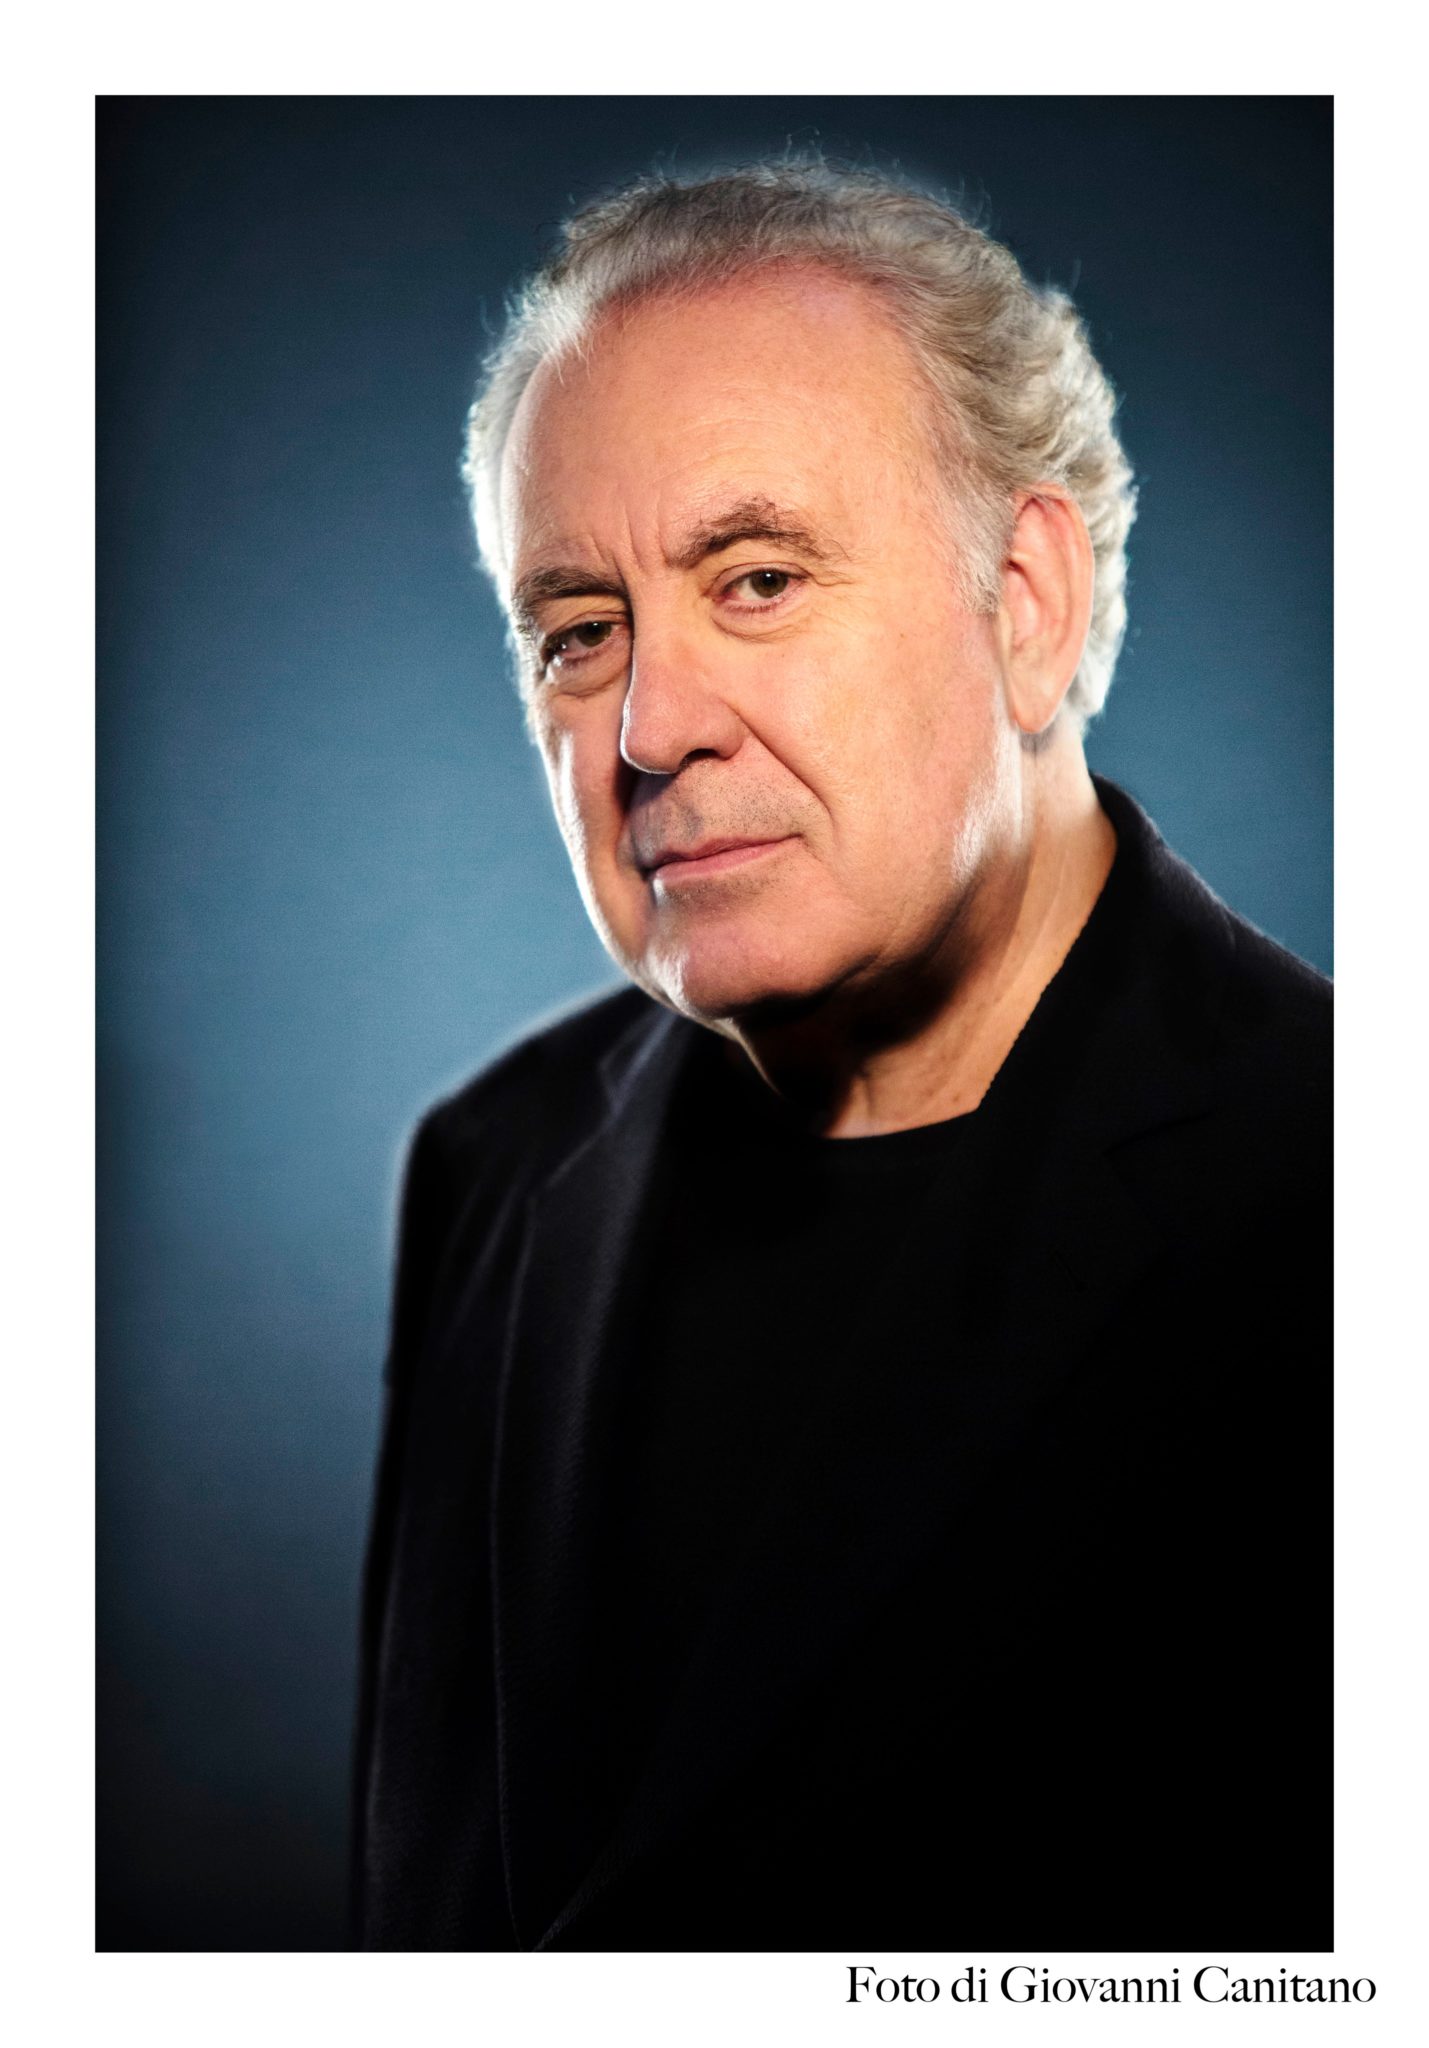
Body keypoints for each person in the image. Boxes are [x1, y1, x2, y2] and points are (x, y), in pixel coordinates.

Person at [351, 160, 1331, 1953]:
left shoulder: (1342, 1199)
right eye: (579, 633)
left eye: (757, 579)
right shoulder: (489, 1165)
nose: (650, 728)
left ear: (1023, 602)